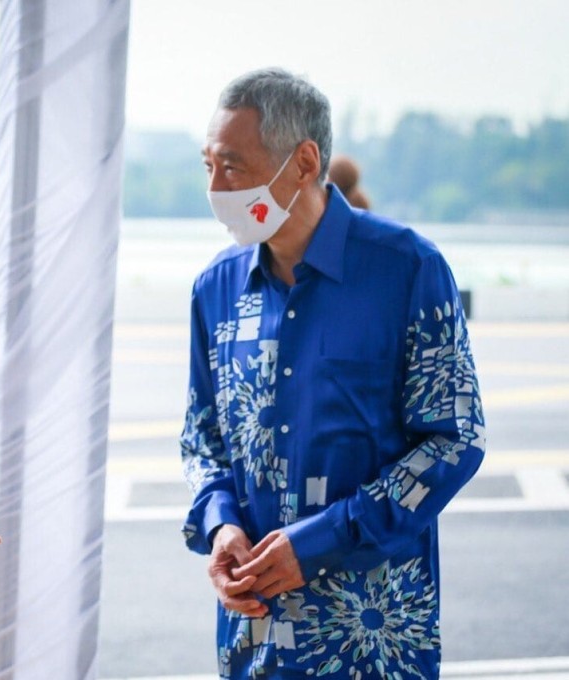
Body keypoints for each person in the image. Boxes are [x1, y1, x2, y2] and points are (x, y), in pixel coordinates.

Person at [182, 68, 484, 679]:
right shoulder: (214, 289)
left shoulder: (407, 270)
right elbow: (203, 438)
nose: (215, 187)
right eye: (207, 165)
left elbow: (455, 439)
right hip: (253, 640)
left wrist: (322, 541)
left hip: (371, 644)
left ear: (303, 162)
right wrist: (220, 527)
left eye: (232, 166)